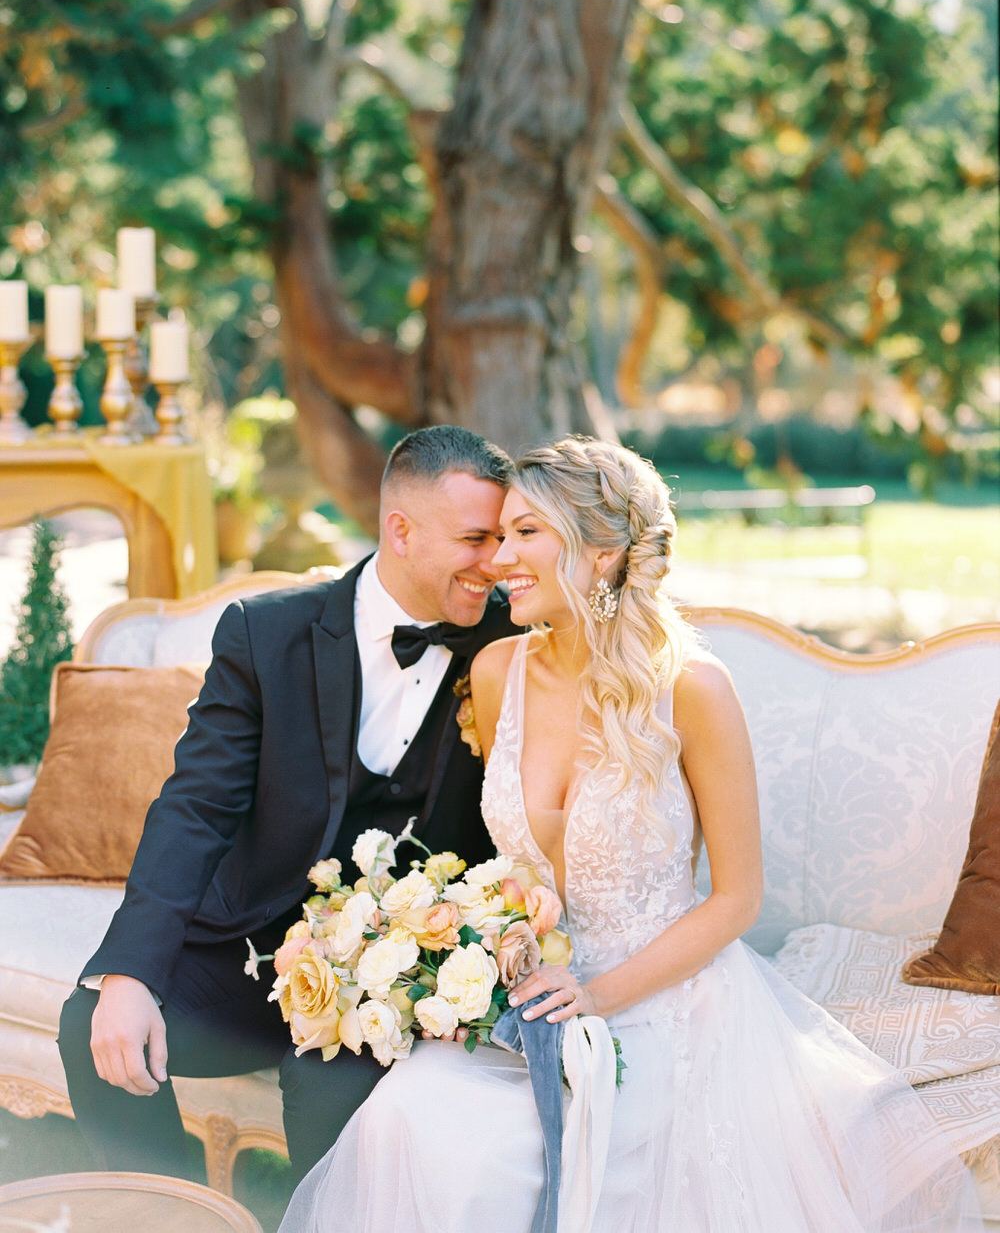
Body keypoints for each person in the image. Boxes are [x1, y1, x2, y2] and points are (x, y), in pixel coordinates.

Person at [279, 435, 983, 1233]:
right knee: (406, 1116)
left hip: (669, 1004)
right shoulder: (495, 671)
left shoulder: (691, 689)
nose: (500, 556)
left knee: (606, 1165)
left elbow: (738, 896)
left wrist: (601, 994)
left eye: (525, 533)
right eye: (500, 533)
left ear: (603, 551)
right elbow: (499, 862)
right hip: (530, 1002)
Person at [57, 424, 519, 1183]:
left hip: (406, 973)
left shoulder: (512, 638)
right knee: (93, 1024)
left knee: (325, 1087)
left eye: (503, 538)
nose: (494, 562)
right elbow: (195, 807)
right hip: (255, 949)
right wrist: (131, 972)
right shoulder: (266, 634)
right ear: (400, 530)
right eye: (476, 538)